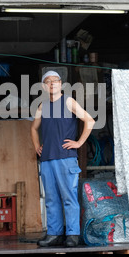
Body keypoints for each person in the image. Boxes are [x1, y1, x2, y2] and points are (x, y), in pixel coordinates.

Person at [31, 70, 95, 247]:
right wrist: (37, 146)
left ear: (61, 83)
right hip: (47, 159)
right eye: (48, 81)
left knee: (69, 197)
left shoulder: (68, 101)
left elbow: (89, 121)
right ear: (44, 86)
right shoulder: (42, 106)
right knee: (51, 199)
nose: (52, 84)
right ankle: (54, 234)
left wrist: (79, 143)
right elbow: (33, 128)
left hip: (66, 158)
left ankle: (73, 235)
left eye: (55, 81)